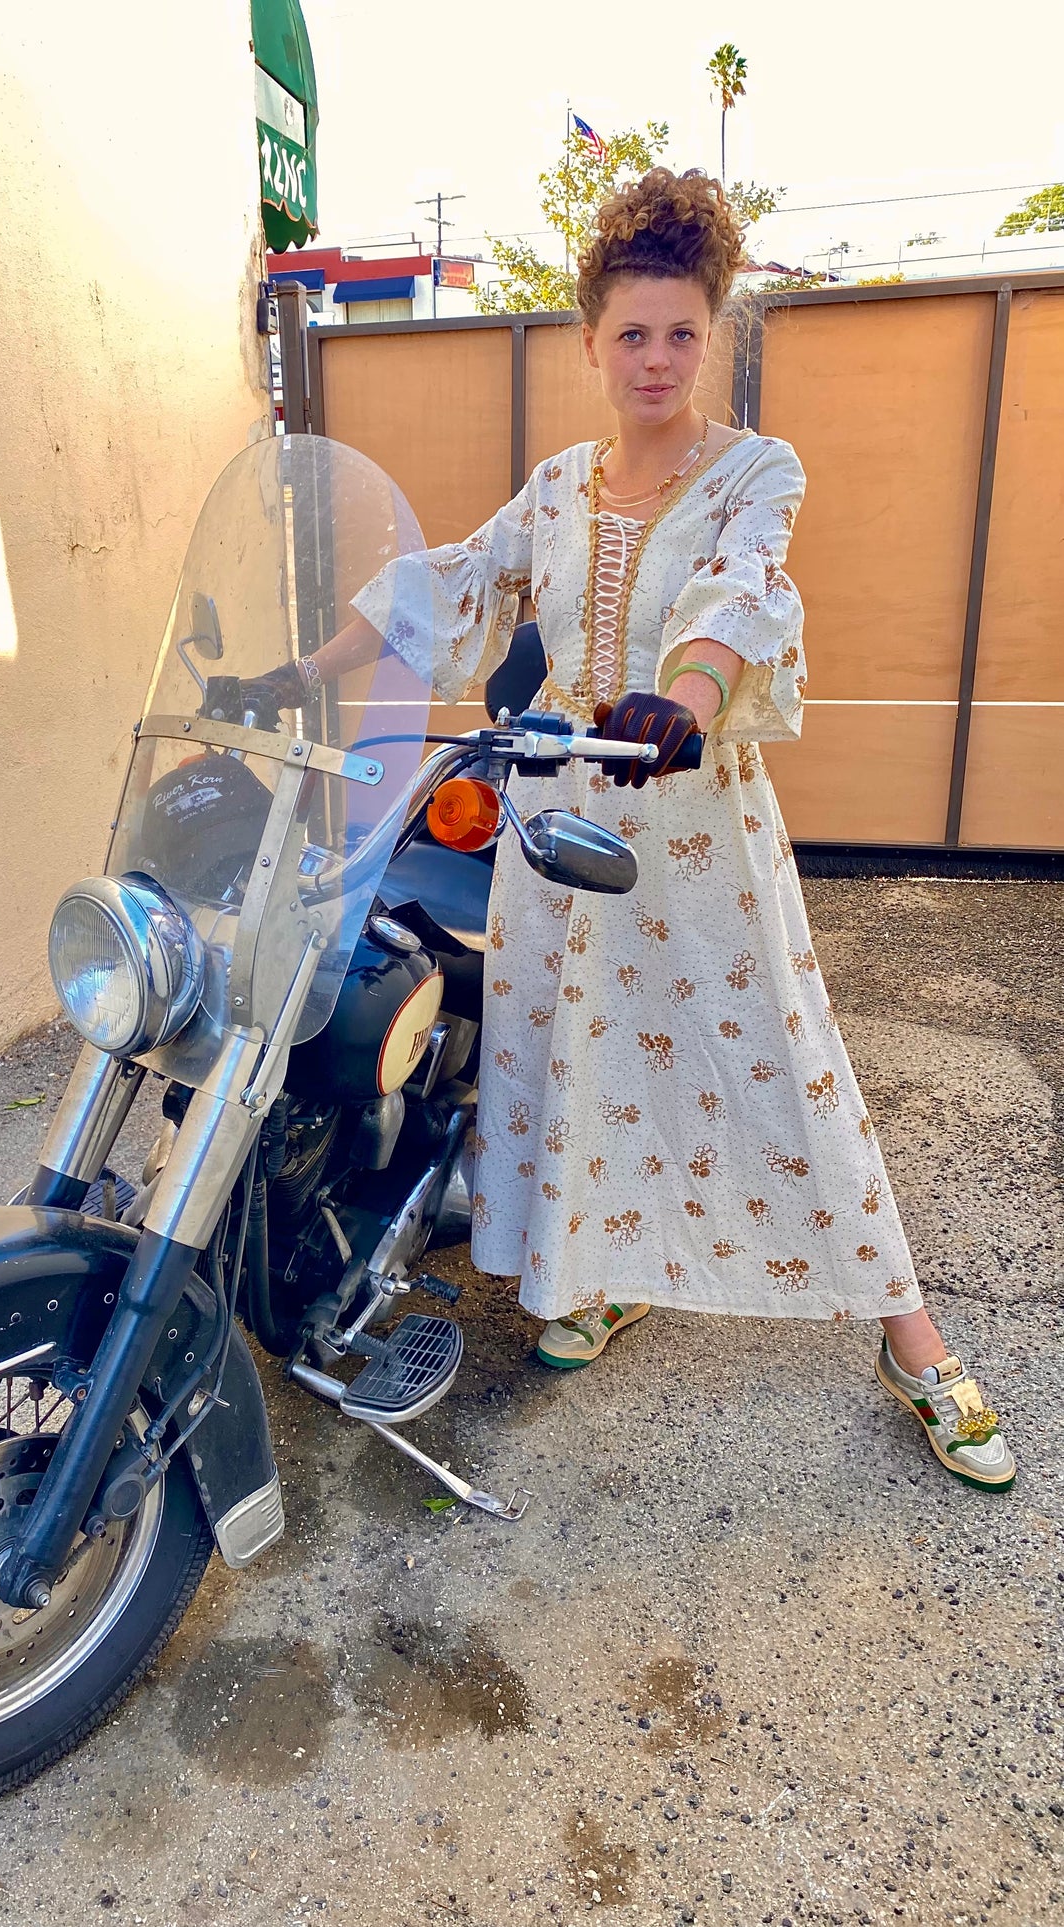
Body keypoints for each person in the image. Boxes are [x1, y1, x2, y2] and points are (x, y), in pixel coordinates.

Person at [259, 167, 1014, 1492]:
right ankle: (606, 1274)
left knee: (783, 1063)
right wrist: (293, 676)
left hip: (692, 822)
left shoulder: (754, 471)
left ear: (710, 334)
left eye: (680, 332)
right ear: (590, 342)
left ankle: (912, 1340)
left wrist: (690, 697)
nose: (656, 358)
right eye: (631, 334)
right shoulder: (557, 487)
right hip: (559, 820)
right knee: (579, 1057)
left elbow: (742, 593)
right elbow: (450, 582)